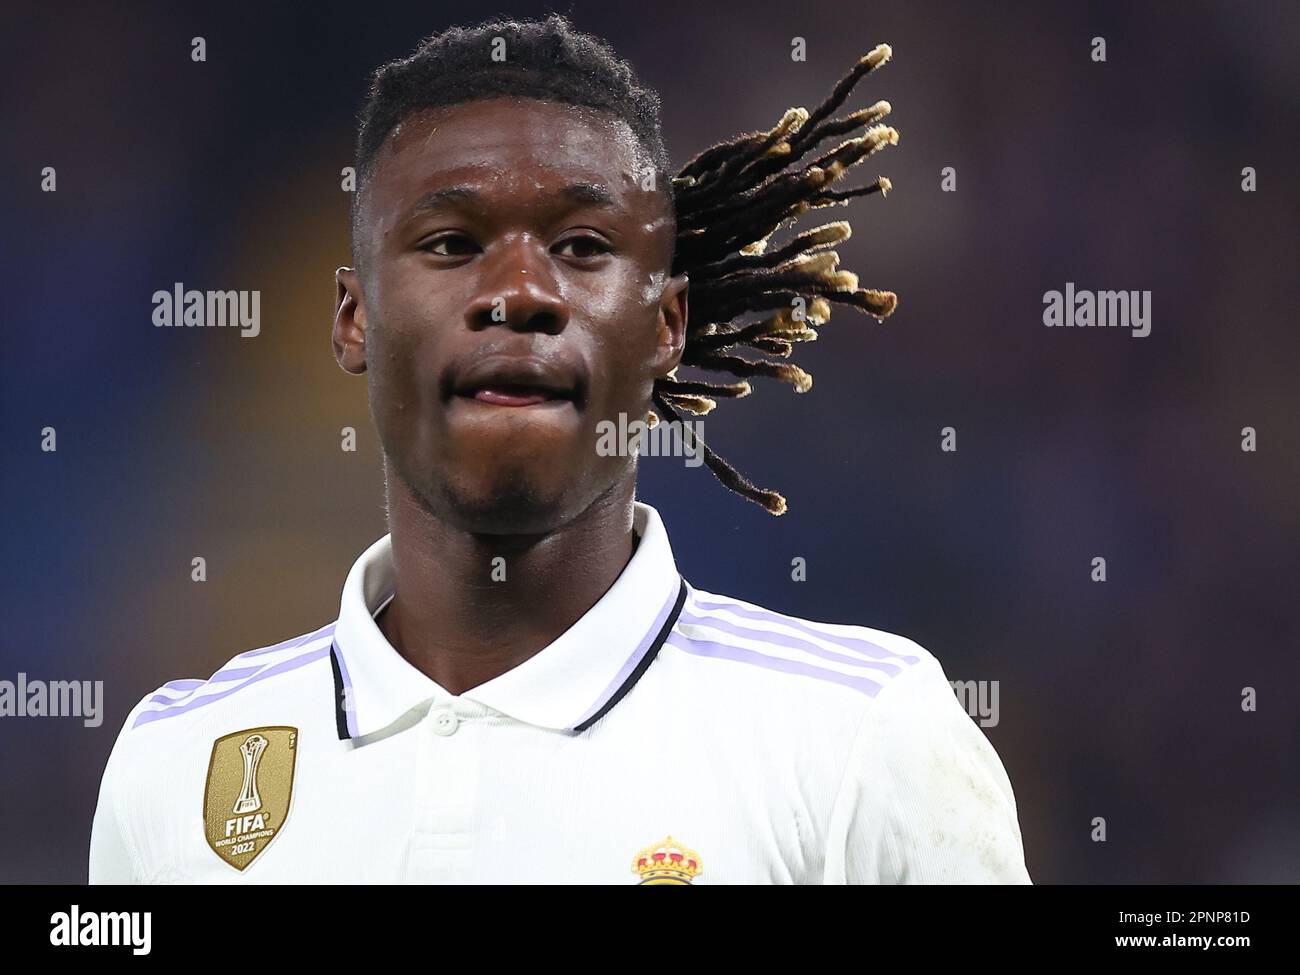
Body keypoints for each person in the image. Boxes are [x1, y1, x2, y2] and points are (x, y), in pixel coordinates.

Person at [89, 13, 1030, 884]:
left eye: (582, 246)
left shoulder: (859, 740)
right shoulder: (175, 769)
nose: (521, 292)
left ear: (666, 324)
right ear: (353, 318)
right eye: (452, 242)